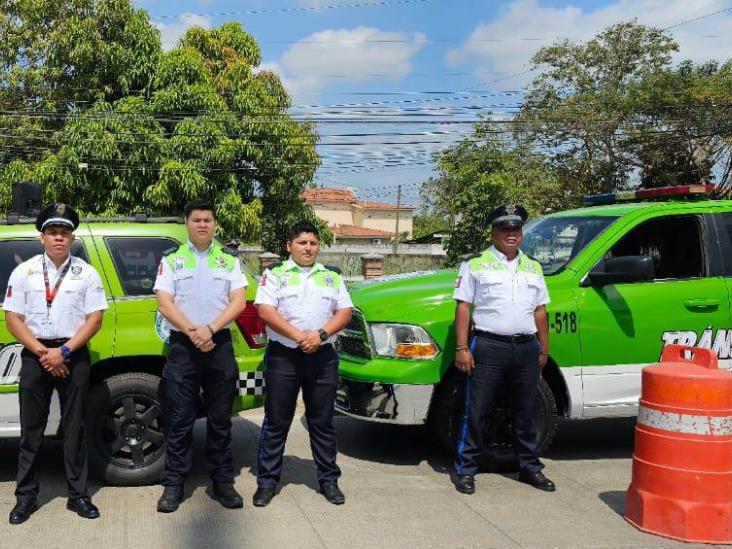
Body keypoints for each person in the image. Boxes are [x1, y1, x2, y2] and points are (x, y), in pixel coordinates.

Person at [3, 203, 108, 524]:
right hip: (35, 355)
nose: (58, 238)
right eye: (52, 232)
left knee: (75, 428)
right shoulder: (24, 271)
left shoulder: (86, 273)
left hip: (72, 354)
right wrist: (42, 352)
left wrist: (62, 353)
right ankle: (25, 498)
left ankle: (78, 496)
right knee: (31, 430)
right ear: (42, 238)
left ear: (72, 237)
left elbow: (95, 319)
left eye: (64, 232)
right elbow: (12, 318)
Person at [452, 204, 555, 495]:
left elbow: (540, 311)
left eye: (516, 229)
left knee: (525, 411)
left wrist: (543, 349)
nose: (511, 234)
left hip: (525, 349)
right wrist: (462, 348)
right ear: (493, 232)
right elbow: (463, 307)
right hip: (488, 347)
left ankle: (529, 468)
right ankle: (465, 469)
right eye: (504, 228)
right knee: (476, 411)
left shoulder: (533, 266)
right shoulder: (475, 264)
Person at [154, 200, 247, 513]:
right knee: (179, 420)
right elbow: (165, 303)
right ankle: (173, 484)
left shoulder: (229, 259)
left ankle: (222, 482)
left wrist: (209, 329)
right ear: (187, 223)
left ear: (215, 224)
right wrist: (194, 332)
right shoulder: (172, 259)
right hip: (183, 346)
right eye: (197, 220)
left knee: (221, 420)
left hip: (219, 344)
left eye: (208, 220)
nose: (203, 225)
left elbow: (238, 302)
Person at [253, 221, 353, 507]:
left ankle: (328, 480)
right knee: (276, 420)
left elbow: (344, 312)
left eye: (313, 243)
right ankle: (267, 482)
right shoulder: (274, 274)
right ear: (289, 246)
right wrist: (300, 337)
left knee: (322, 422)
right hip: (284, 356)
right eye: (302, 242)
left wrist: (320, 335)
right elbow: (265, 310)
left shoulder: (331, 277)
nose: (308, 247)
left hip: (322, 358)